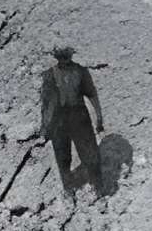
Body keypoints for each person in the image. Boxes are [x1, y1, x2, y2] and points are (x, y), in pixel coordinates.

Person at [37, 44, 105, 203]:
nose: (64, 60)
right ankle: (68, 190)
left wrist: (99, 117)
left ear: (71, 56)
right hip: (58, 119)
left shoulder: (81, 72)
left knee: (90, 153)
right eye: (60, 57)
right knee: (62, 156)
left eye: (66, 56)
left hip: (79, 116)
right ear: (56, 57)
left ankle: (99, 188)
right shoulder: (49, 75)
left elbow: (92, 94)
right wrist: (45, 126)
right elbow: (46, 103)